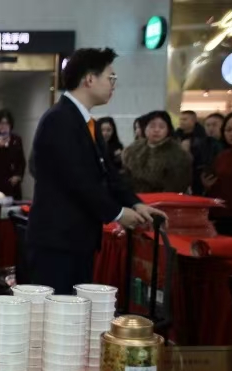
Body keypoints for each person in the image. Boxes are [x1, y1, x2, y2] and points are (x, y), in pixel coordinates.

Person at [27, 47, 165, 295]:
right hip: (58, 241)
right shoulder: (59, 119)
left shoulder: (88, 123)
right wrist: (117, 213)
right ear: (89, 79)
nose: (113, 85)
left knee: (76, 309)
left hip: (79, 238)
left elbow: (109, 174)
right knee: (57, 310)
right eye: (110, 77)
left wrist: (135, 204)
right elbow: (75, 180)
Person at [121, 111, 191, 193]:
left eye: (161, 127)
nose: (156, 130)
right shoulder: (132, 150)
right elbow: (127, 177)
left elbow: (177, 185)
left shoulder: (178, 154)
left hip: (162, 198)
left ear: (168, 130)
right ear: (144, 128)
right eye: (152, 126)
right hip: (134, 197)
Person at [178, 110, 220, 195]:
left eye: (214, 125)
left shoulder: (200, 140)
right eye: (208, 125)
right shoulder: (176, 135)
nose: (210, 128)